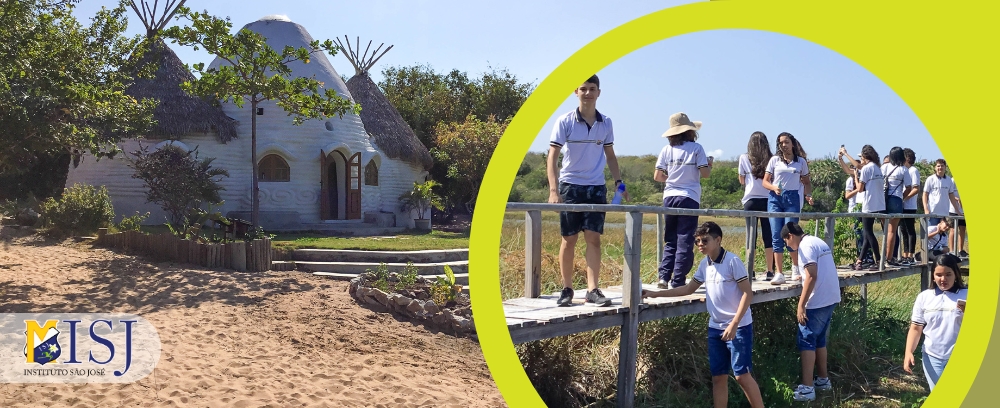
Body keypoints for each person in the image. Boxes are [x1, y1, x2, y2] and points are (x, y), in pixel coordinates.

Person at [643, 222, 764, 408]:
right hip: (715, 328)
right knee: (718, 377)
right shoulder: (704, 264)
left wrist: (734, 324)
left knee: (741, 376)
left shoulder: (732, 261)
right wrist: (655, 294)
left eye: (704, 240)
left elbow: (748, 293)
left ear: (718, 240)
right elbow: (689, 288)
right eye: (697, 241)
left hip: (738, 327)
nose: (700, 244)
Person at [547, 74, 625, 307]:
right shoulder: (565, 121)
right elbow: (552, 156)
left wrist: (619, 183)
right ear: (576, 92)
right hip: (570, 185)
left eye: (592, 89)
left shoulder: (606, 123)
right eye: (583, 89)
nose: (588, 93)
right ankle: (567, 289)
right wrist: (554, 190)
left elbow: (610, 155)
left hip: (596, 187)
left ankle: (592, 289)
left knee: (593, 239)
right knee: (568, 239)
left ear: (599, 92)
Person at [780, 221, 842, 402]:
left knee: (806, 339)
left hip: (818, 300)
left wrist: (801, 305)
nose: (787, 246)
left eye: (786, 242)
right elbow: (813, 271)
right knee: (819, 340)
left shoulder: (804, 246)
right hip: (830, 297)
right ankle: (822, 380)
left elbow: (813, 275)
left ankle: (807, 388)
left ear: (789, 236)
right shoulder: (816, 241)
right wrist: (802, 274)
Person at [654, 112, 712, 289]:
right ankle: (678, 280)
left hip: (669, 197)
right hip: (689, 197)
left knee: (671, 239)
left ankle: (664, 277)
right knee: (685, 239)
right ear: (689, 131)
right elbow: (705, 174)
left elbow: (657, 176)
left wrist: (672, 178)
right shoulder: (696, 149)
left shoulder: (666, 150)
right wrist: (709, 164)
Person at [904, 253, 967, 391]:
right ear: (933, 275)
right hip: (932, 357)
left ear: (956, 274)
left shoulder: (967, 295)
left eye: (948, 274)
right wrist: (909, 352)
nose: (943, 279)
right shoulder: (924, 297)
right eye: (938, 274)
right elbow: (916, 328)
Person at [761, 132, 813, 284]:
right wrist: (774, 187)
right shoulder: (774, 160)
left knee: (791, 233)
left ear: (793, 143)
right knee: (776, 234)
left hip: (792, 198)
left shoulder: (801, 162)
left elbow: (806, 182)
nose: (784, 145)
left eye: (786, 142)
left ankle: (795, 267)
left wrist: (808, 195)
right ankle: (779, 272)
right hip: (775, 198)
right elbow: (765, 182)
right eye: (780, 143)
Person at [840, 145, 885, 271]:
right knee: (867, 235)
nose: (861, 159)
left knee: (868, 234)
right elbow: (859, 167)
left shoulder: (866, 169)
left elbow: (860, 189)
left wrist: (855, 176)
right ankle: (859, 260)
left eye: (862, 157)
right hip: (879, 204)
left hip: (869, 205)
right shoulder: (877, 168)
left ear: (865, 157)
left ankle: (878, 260)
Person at [738, 132, 775, 280]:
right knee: (769, 236)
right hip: (767, 199)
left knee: (751, 236)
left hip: (750, 200)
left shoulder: (744, 158)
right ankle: (770, 270)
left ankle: (750, 270)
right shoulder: (772, 159)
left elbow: (741, 180)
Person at [880, 147, 913, 266]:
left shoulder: (884, 167)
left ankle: (882, 257)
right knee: (892, 231)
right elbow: (909, 187)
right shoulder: (904, 170)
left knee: (885, 231)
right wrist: (902, 197)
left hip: (883, 200)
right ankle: (889, 258)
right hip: (896, 199)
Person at [921, 159, 961, 230]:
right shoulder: (930, 179)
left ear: (945, 167)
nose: (940, 168)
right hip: (932, 213)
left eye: (942, 166)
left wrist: (957, 210)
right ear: (935, 167)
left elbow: (951, 196)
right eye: (938, 166)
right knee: (931, 235)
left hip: (944, 214)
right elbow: (925, 194)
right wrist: (926, 209)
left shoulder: (949, 180)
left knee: (942, 237)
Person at [899, 148, 921, 265]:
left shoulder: (913, 170)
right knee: (903, 231)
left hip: (910, 205)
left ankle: (911, 255)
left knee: (910, 230)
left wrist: (904, 198)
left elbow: (916, 189)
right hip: (903, 205)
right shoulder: (904, 170)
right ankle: (905, 254)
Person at [948, 181, 968, 257]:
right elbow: (949, 193)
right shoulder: (952, 180)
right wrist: (957, 199)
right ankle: (952, 250)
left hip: (963, 211)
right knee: (953, 230)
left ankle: (960, 250)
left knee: (962, 229)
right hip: (953, 210)